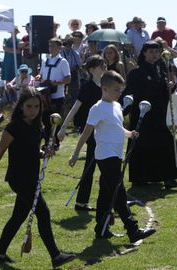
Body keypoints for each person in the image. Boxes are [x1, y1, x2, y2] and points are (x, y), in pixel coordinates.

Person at [0, 89, 76, 268]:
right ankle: (56, 256)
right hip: (19, 178)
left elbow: (32, 150)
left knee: (18, 216)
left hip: (31, 177)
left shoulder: (38, 126)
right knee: (44, 212)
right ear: (21, 107)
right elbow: (0, 151)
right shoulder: (13, 127)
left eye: (36, 106)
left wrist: (44, 152)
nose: (32, 110)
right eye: (28, 106)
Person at [69, 70, 156, 242]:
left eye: (120, 90)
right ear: (105, 89)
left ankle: (101, 229)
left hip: (116, 154)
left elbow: (116, 127)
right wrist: (75, 154)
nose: (119, 93)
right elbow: (86, 133)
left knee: (106, 194)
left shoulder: (116, 106)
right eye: (116, 89)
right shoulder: (97, 108)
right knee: (119, 192)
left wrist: (129, 134)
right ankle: (133, 230)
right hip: (105, 156)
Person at [124, 41, 177, 188]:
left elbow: (162, 92)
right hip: (142, 116)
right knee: (141, 147)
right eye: (151, 52)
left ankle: (169, 177)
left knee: (164, 144)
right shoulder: (137, 72)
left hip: (157, 117)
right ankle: (140, 179)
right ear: (144, 53)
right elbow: (130, 93)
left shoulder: (161, 70)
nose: (155, 55)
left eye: (157, 52)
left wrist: (169, 87)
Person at [58, 55, 106, 212]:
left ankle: (82, 202)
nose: (104, 66)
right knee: (95, 166)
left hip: (104, 130)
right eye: (101, 65)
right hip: (90, 130)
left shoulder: (106, 85)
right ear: (92, 69)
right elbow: (75, 107)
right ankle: (84, 202)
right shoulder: (86, 87)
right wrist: (64, 127)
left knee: (98, 166)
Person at [37, 38, 71, 147]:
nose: (51, 49)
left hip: (57, 95)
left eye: (53, 46)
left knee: (55, 120)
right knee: (46, 120)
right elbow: (41, 74)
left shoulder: (63, 62)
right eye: (50, 46)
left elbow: (68, 78)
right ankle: (47, 142)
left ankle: (55, 143)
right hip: (45, 94)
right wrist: (38, 76)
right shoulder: (45, 60)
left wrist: (57, 83)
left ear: (59, 48)